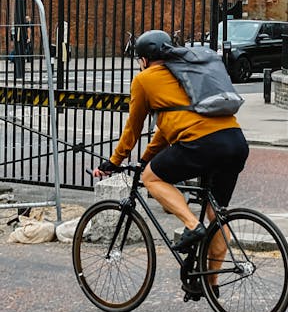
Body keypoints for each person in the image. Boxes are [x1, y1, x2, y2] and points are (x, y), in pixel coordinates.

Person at [93, 29, 249, 263]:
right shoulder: (187, 73)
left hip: (202, 144)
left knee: (151, 178)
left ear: (144, 60)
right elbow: (166, 132)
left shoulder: (145, 79)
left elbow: (133, 128)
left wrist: (115, 161)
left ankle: (191, 225)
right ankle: (210, 284)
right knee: (216, 214)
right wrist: (146, 159)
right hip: (235, 142)